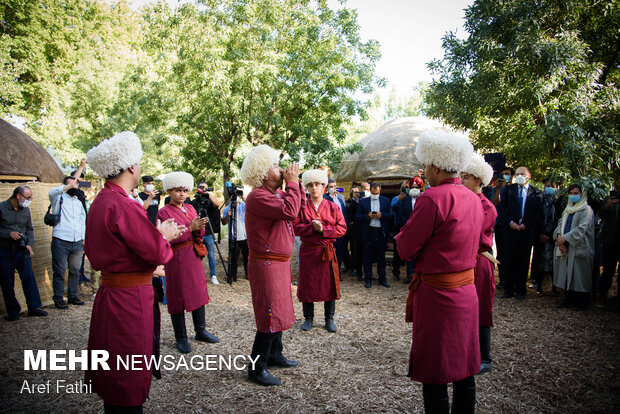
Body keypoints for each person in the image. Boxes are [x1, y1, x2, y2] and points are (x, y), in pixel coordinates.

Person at [84, 131, 185, 413]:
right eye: (138, 163)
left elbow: (96, 256)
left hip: (109, 294)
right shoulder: (124, 205)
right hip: (130, 299)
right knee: (128, 371)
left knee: (113, 368)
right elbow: (157, 253)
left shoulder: (100, 202)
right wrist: (162, 236)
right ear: (130, 167)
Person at [395, 130, 483, 413]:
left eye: (426, 166)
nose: (424, 171)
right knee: (465, 364)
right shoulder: (474, 199)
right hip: (467, 293)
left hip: (438, 295)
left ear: (434, 166)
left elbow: (406, 249)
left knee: (436, 368)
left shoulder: (432, 199)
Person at [240, 144, 302, 386]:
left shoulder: (274, 194)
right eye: (275, 165)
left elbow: (298, 208)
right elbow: (291, 210)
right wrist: (293, 183)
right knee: (269, 313)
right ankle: (256, 368)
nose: (281, 169)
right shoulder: (258, 196)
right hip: (266, 264)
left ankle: (275, 355)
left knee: (279, 310)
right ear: (264, 173)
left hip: (277, 263)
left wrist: (293, 186)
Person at [157, 172, 219, 353]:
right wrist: (190, 228)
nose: (182, 194)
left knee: (198, 291)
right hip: (176, 257)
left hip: (192, 255)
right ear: (169, 191)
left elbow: (197, 232)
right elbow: (165, 237)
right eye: (178, 190)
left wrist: (199, 227)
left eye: (184, 190)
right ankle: (181, 337)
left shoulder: (190, 208)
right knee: (177, 295)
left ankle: (200, 330)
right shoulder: (163, 212)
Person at [295, 169, 347, 332]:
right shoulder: (301, 207)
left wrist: (324, 230)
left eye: (317, 184)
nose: (314, 188)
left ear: (323, 186)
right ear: (307, 188)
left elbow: (342, 228)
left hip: (326, 251)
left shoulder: (333, 207)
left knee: (329, 285)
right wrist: (311, 227)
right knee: (307, 284)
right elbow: (295, 227)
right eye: (310, 185)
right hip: (308, 252)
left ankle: (329, 319)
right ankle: (308, 318)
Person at [461, 154, 497, 374]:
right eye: (461, 176)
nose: (462, 180)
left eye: (466, 177)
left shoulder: (486, 207)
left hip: (479, 261)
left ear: (479, 180)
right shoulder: (464, 200)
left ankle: (486, 357)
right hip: (463, 261)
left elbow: (473, 234)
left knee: (481, 308)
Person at [0, 185, 48, 321]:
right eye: (28, 197)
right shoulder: (1, 208)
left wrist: (29, 245)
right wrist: (7, 233)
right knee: (7, 281)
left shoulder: (26, 211)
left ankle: (33, 308)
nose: (30, 200)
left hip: (22, 249)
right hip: (5, 250)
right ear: (18, 196)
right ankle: (13, 312)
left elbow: (29, 230)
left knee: (28, 278)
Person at [499, 166, 543, 300]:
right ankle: (508, 289)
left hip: (526, 232)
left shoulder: (536, 192)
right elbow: (502, 209)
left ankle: (521, 290)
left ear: (528, 175)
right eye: (517, 174)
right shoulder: (508, 190)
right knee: (509, 260)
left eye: (522, 174)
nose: (519, 176)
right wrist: (510, 222)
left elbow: (538, 213)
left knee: (523, 261)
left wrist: (527, 224)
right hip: (510, 231)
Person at [49, 168, 89, 309]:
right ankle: (59, 298)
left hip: (77, 240)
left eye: (76, 184)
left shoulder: (78, 202)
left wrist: (83, 238)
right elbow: (52, 192)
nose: (74, 186)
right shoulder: (58, 198)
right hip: (61, 239)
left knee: (74, 270)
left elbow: (82, 220)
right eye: (71, 184)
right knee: (59, 270)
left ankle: (73, 295)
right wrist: (68, 185)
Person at [553, 184, 595, 310]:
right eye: (571, 193)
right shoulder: (568, 209)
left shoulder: (586, 210)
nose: (573, 195)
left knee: (580, 276)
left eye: (576, 193)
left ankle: (582, 302)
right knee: (567, 274)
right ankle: (568, 299)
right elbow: (560, 225)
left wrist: (565, 239)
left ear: (582, 195)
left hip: (579, 247)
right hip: (566, 246)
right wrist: (560, 239)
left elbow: (581, 228)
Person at [356, 182, 393, 288]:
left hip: (381, 232)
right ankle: (368, 279)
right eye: (373, 193)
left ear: (380, 190)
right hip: (368, 232)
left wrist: (382, 216)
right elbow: (357, 216)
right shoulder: (363, 202)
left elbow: (391, 215)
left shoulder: (386, 201)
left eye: (376, 193)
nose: (374, 195)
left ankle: (382, 279)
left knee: (381, 257)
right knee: (367, 257)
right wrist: (367, 216)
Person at [530, 181, 563, 294]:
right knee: (540, 261)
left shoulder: (559, 202)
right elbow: (536, 218)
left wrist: (550, 235)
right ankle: (539, 285)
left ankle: (554, 287)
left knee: (553, 262)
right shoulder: (540, 200)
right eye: (547, 186)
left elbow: (559, 219)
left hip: (553, 238)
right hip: (540, 237)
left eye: (552, 186)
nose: (549, 188)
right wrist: (540, 234)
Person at [192, 182, 221, 285]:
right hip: (196, 233)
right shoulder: (195, 201)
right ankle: (196, 275)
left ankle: (213, 275)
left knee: (211, 255)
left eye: (205, 188)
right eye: (201, 188)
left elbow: (217, 204)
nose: (202, 189)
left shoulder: (210, 201)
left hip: (208, 232)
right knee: (195, 255)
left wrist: (208, 194)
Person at [393, 181, 421, 283]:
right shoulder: (405, 200)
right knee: (410, 253)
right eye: (412, 187)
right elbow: (400, 214)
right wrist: (409, 225)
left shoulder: (424, 199)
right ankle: (410, 276)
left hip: (420, 230)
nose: (414, 188)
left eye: (416, 187)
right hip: (408, 229)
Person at [598, 188, 619, 306]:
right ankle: (602, 296)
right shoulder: (610, 201)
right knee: (607, 271)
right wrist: (606, 206)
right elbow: (601, 215)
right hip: (610, 241)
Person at [222, 192, 249, 281]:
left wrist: (243, 197)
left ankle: (248, 273)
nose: (236, 197)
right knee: (234, 257)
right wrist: (227, 216)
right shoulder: (227, 208)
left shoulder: (243, 206)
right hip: (233, 236)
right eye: (235, 196)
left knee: (247, 256)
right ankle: (233, 275)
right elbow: (224, 222)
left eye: (237, 196)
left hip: (244, 236)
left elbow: (251, 207)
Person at [324, 178, 348, 276]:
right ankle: (330, 272)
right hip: (330, 229)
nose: (333, 188)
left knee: (340, 250)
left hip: (340, 228)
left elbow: (344, 212)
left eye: (334, 186)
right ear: (326, 187)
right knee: (331, 251)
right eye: (331, 187)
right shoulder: (324, 198)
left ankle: (337, 272)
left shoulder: (341, 197)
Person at [391, 180, 412, 281]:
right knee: (397, 251)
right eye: (403, 187)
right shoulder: (396, 198)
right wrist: (399, 200)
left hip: (409, 226)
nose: (405, 189)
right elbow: (392, 208)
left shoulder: (412, 199)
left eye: (407, 187)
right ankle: (396, 272)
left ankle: (410, 273)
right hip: (398, 226)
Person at [346, 185, 363, 280]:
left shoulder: (362, 201)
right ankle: (352, 267)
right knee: (353, 248)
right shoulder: (348, 202)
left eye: (357, 192)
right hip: (352, 229)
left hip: (360, 228)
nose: (356, 193)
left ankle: (358, 266)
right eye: (354, 192)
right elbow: (349, 212)